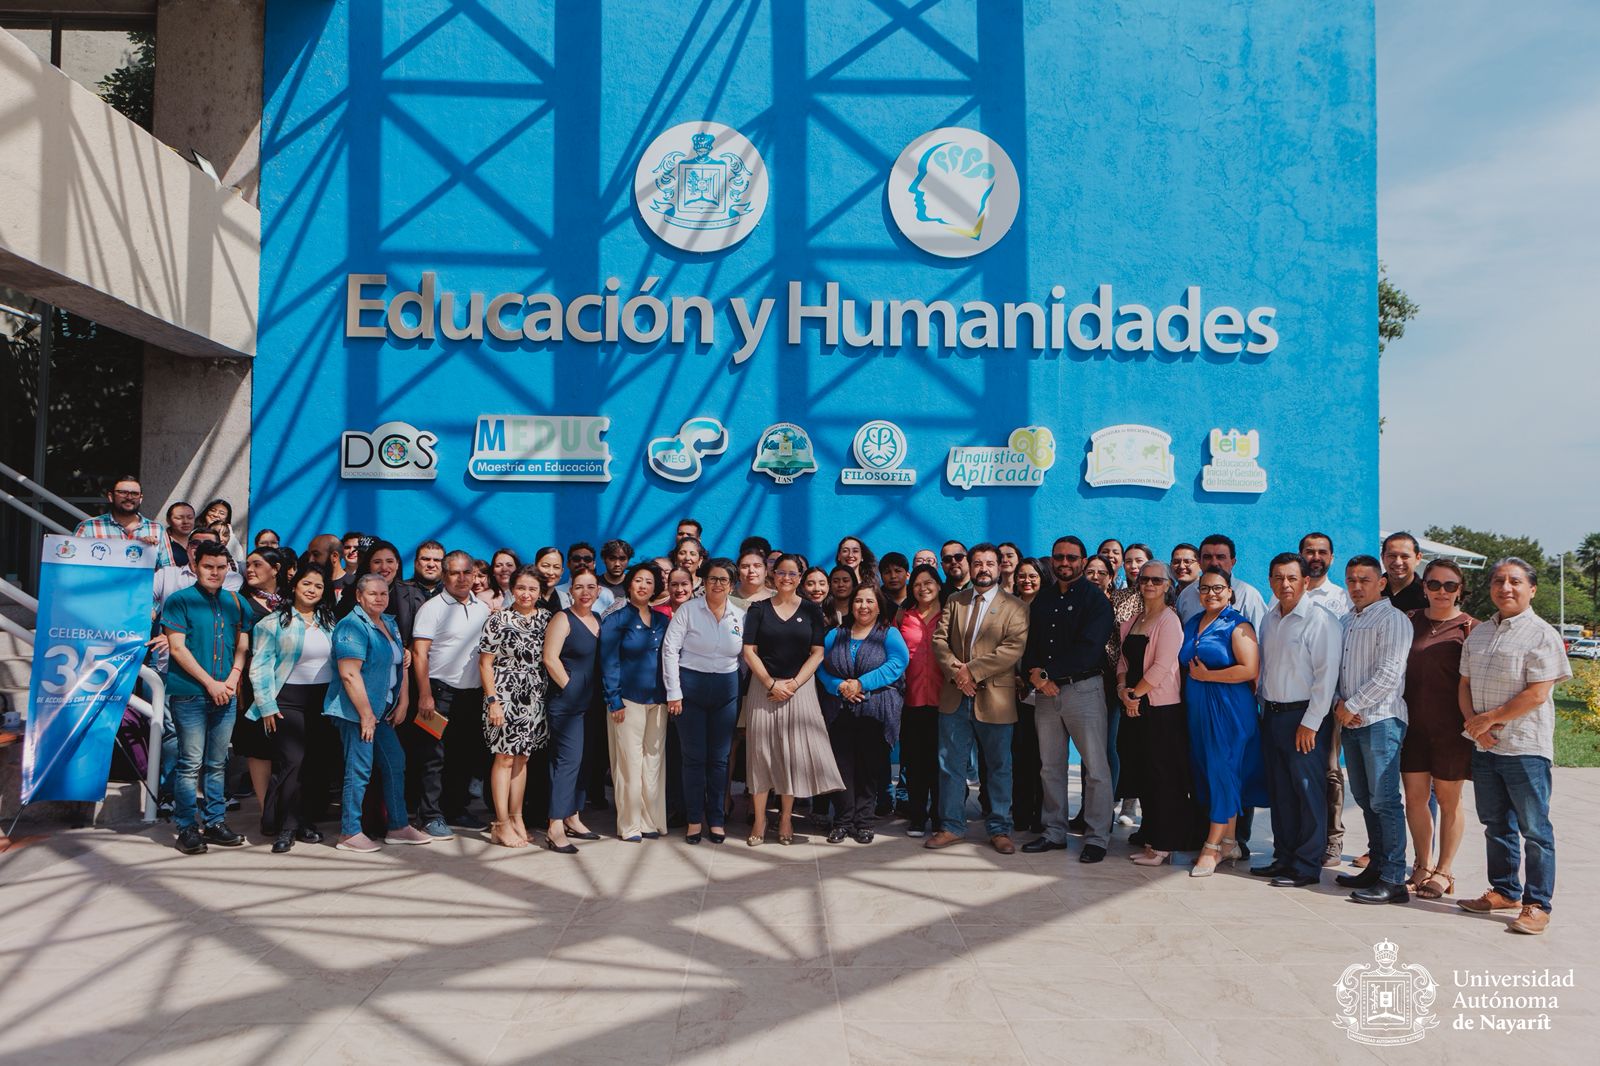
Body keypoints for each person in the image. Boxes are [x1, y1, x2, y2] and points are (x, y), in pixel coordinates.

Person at [1457, 558, 1569, 935]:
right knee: (1495, 823)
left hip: (1525, 748)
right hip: (1485, 747)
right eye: (1498, 581)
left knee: (1534, 829)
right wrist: (1475, 726)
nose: (1505, 587)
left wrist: (1489, 719)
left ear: (1532, 589)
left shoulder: (1542, 634)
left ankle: (1537, 904)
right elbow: (1463, 685)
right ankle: (1505, 891)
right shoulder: (1479, 633)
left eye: (1515, 582)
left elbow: (1537, 694)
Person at [927, 543, 1029, 853]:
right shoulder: (955, 601)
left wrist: (970, 672)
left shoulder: (1015, 606)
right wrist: (957, 673)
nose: (983, 568)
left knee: (999, 766)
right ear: (970, 568)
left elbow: (1012, 648)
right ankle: (951, 826)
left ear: (999, 567)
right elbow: (939, 640)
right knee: (950, 765)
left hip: (995, 698)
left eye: (990, 563)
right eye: (978, 563)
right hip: (955, 696)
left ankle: (999, 829)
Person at [1021, 537, 1114, 861]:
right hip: (1046, 695)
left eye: (1071, 557)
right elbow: (1031, 643)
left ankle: (1097, 838)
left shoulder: (1096, 600)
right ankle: (1054, 832)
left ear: (1083, 561)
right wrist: (1034, 674)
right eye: (1059, 557)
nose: (1064, 562)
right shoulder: (1043, 598)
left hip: (1083, 690)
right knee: (1050, 767)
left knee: (1096, 768)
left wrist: (1047, 674)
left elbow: (1089, 648)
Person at [1252, 554, 1342, 887]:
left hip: (1304, 718)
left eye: (1292, 578)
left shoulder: (1320, 620)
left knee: (1307, 792)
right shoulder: (1269, 619)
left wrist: (1312, 722)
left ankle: (1306, 865)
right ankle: (1284, 857)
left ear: (1305, 581)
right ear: (1270, 581)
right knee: (1281, 792)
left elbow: (1326, 677)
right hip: (1273, 715)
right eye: (1278, 578)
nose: (1285, 584)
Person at [325, 574, 433, 852]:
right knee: (358, 769)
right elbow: (349, 674)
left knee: (395, 761)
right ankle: (349, 832)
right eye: (372, 594)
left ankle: (398, 826)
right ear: (359, 596)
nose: (379, 598)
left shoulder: (389, 623)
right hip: (356, 712)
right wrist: (365, 715)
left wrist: (403, 701)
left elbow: (401, 663)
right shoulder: (352, 625)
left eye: (383, 594)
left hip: (382, 711)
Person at [742, 556, 842, 845]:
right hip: (764, 688)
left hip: (799, 690)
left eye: (792, 573)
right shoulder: (758, 609)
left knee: (790, 755)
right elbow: (749, 651)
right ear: (772, 575)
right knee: (760, 753)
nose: (786, 578)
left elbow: (817, 653)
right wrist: (771, 683)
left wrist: (794, 684)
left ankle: (785, 817)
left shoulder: (811, 610)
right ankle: (760, 819)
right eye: (781, 572)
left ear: (800, 577)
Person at [1331, 555, 1414, 904]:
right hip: (1351, 720)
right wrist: (1340, 703)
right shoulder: (1345, 620)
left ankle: (1394, 879)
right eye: (1351, 580)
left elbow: (1389, 673)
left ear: (1381, 583)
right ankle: (1377, 866)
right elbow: (1335, 669)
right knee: (1365, 799)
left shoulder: (1393, 619)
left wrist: (1352, 705)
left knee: (1385, 800)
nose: (1356, 586)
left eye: (1364, 580)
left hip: (1381, 720)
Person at [160, 541, 250, 854]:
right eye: (208, 566)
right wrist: (211, 683)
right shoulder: (179, 600)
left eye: (221, 567)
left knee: (218, 762)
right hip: (190, 694)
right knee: (189, 764)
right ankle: (186, 826)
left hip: (226, 693)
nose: (215, 572)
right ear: (196, 566)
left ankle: (214, 822)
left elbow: (242, 644)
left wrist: (232, 678)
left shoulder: (236, 602)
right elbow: (177, 648)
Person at [1179, 566, 1267, 877]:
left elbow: (1249, 669)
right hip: (1199, 710)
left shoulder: (1237, 625)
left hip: (1229, 709)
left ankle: (1212, 846)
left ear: (1230, 592)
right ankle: (1229, 842)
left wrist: (1208, 676)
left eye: (1218, 588)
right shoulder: (1193, 622)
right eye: (1205, 588)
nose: (1211, 593)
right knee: (1212, 772)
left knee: (1223, 771)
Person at [248, 560, 338, 853]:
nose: (312, 590)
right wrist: (266, 705)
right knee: (292, 763)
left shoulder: (330, 622)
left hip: (322, 701)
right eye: (306, 583)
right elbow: (260, 667)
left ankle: (304, 822)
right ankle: (284, 827)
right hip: (287, 701)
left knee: (314, 765)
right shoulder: (273, 622)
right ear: (295, 585)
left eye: (318, 586)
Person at [1399, 559, 1476, 900]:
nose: (1441, 591)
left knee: (1448, 800)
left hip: (1451, 731)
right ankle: (1422, 863)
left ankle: (1444, 870)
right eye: (1434, 584)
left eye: (1449, 585)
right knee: (1415, 799)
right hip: (1412, 727)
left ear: (1460, 590)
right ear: (1424, 587)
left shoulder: (1470, 628)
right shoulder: (1409, 621)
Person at [1118, 562, 1202, 866]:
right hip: (1134, 708)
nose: (1149, 584)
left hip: (1161, 710)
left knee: (1164, 778)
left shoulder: (1169, 621)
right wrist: (1122, 690)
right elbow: (1123, 661)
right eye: (1145, 579)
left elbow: (1162, 666)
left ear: (1168, 585)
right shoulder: (1133, 619)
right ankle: (1151, 838)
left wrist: (1135, 695)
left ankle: (1164, 845)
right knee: (1144, 775)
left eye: (1156, 579)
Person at [409, 550, 492, 837]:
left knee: (463, 756)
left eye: (467, 572)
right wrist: (424, 695)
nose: (461, 578)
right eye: (455, 573)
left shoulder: (482, 608)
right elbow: (419, 654)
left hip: (471, 696)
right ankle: (430, 815)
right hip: (438, 693)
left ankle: (455, 809)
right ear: (445, 576)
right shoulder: (432, 608)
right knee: (433, 758)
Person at [662, 558, 745, 844]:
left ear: (731, 585)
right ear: (704, 582)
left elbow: (746, 655)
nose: (717, 584)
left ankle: (717, 820)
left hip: (726, 689)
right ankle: (694, 820)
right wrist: (674, 692)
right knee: (694, 758)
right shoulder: (688, 610)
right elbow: (670, 650)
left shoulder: (740, 615)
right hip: (691, 689)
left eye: (724, 580)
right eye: (712, 579)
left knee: (720, 759)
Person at [819, 584, 908, 844]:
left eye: (870, 601)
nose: (863, 606)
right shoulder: (836, 634)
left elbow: (897, 663)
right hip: (839, 707)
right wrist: (839, 686)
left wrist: (861, 684)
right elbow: (820, 665)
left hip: (876, 708)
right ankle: (843, 821)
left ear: (879, 606)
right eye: (858, 601)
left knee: (869, 767)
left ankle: (864, 822)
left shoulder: (888, 633)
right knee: (841, 766)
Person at [477, 565, 551, 849]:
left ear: (540, 591)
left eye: (532, 589)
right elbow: (485, 663)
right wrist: (493, 701)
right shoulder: (499, 619)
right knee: (504, 758)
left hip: (534, 696)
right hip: (505, 694)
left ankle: (516, 817)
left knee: (523, 758)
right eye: (521, 588)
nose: (526, 594)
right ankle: (500, 823)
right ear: (512, 589)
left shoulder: (545, 618)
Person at [600, 565, 671, 842]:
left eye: (649, 582)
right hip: (626, 700)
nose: (643, 585)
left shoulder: (662, 620)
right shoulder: (615, 620)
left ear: (655, 588)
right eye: (638, 580)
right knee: (629, 764)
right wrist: (614, 699)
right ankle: (630, 824)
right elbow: (609, 662)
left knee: (653, 763)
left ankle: (650, 821)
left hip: (658, 700)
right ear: (629, 585)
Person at [541, 571, 604, 851]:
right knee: (567, 762)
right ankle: (555, 825)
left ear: (598, 591)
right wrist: (570, 687)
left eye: (591, 587)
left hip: (592, 702)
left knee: (585, 760)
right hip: (567, 703)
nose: (585, 592)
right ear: (571, 591)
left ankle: (573, 816)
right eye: (579, 587)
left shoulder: (598, 619)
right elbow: (550, 658)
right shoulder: (562, 618)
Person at [235, 547, 289, 813]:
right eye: (248, 564)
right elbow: (238, 645)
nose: (250, 570)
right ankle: (265, 809)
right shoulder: (241, 601)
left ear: (276, 569)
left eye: (257, 564)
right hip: (253, 681)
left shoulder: (290, 600)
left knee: (286, 746)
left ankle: (287, 807)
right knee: (259, 747)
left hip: (289, 682)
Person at [896, 564, 944, 837]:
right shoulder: (904, 616)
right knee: (914, 762)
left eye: (928, 582)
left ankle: (939, 815)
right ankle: (917, 816)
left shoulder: (951, 614)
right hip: (911, 699)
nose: (923, 588)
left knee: (941, 761)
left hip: (944, 700)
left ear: (938, 585)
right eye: (917, 584)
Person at [75, 474, 173, 568]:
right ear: (111, 497)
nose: (129, 497)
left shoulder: (157, 529)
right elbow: (73, 563)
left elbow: (168, 569)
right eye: (122, 492)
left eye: (134, 493)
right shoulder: (89, 527)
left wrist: (147, 550)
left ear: (141, 499)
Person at [1176, 535, 1266, 628]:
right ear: (1199, 562)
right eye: (1207, 557)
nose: (1214, 563)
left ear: (1232, 562)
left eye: (1220, 557)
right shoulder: (1186, 596)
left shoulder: (1249, 596)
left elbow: (1260, 635)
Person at [1299, 532, 1353, 618]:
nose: (1316, 557)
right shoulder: (1283, 594)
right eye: (1310, 552)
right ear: (1300, 557)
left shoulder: (1344, 599)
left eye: (1322, 552)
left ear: (1331, 559)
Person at [1381, 531, 1427, 612]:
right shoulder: (1370, 589)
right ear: (1382, 557)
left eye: (1405, 556)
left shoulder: (1428, 594)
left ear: (1418, 558)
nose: (1398, 562)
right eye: (1392, 556)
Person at [200, 499, 245, 567]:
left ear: (227, 519)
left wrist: (228, 531)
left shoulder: (229, 535)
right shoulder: (194, 531)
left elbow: (238, 558)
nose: (215, 515)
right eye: (213, 510)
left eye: (221, 513)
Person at [531, 547, 565, 613]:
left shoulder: (568, 599)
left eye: (556, 567)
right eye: (545, 566)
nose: (550, 572)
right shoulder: (520, 596)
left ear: (562, 571)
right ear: (535, 567)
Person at [166, 502, 196, 567]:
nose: (185, 522)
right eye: (179, 518)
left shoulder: (197, 544)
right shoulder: (163, 544)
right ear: (168, 520)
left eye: (190, 518)